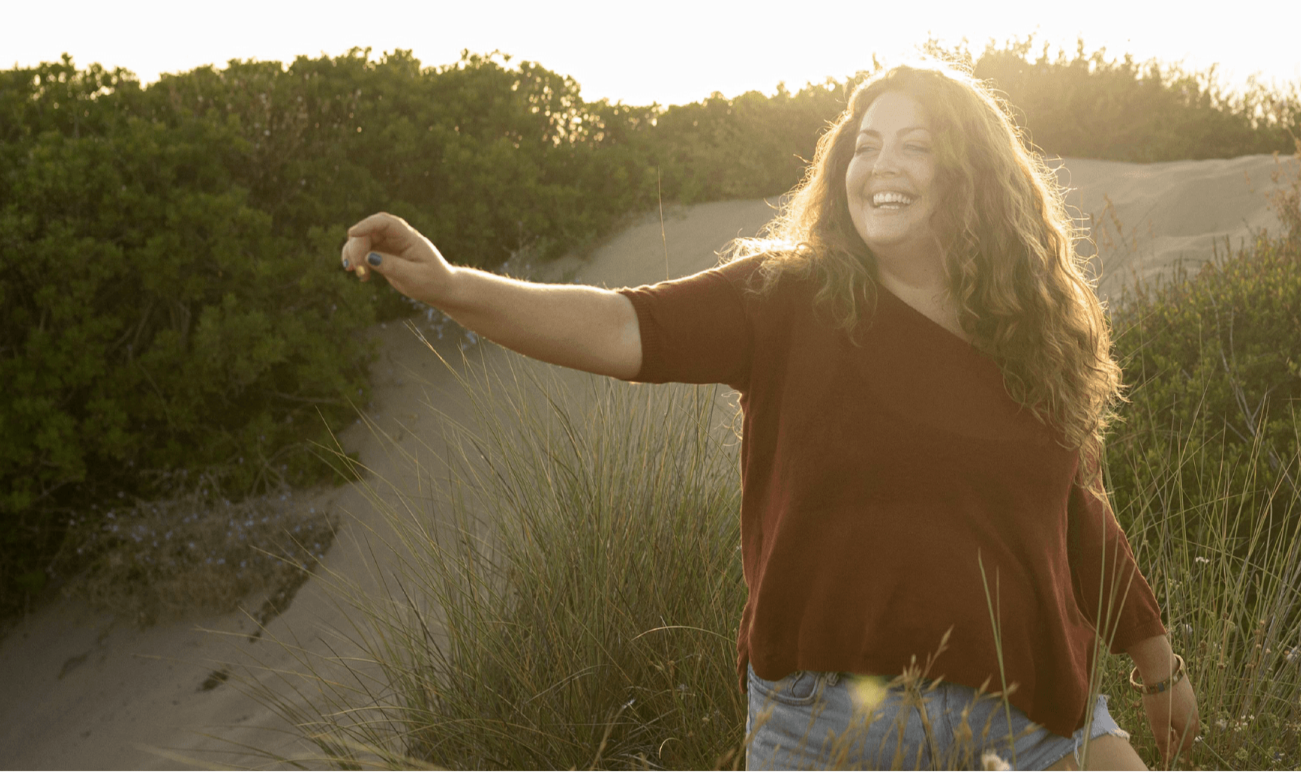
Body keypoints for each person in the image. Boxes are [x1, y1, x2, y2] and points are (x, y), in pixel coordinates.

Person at [337, 63, 1197, 771]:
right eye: (866, 146)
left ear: (971, 176)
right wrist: (452, 286)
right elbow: (620, 324)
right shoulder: (785, 299)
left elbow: (1073, 511)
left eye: (916, 146)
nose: (882, 165)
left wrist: (1158, 666)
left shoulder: (1031, 331)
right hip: (827, 731)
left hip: (1032, 717)